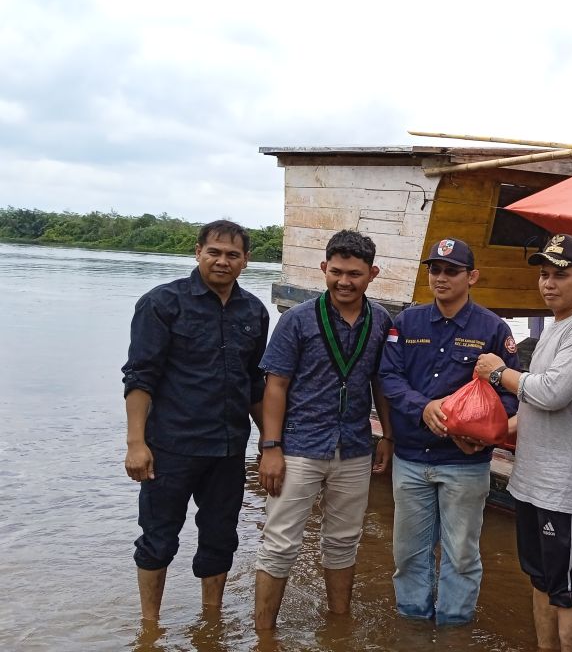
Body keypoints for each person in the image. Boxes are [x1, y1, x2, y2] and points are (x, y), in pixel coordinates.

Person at [474, 233, 572, 652]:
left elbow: (551, 392)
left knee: (568, 587)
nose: (549, 283)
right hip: (533, 480)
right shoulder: (558, 327)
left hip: (565, 486)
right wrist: (495, 430)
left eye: (561, 275)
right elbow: (538, 404)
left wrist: (499, 373)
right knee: (539, 578)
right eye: (543, 274)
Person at [122, 220, 270, 621]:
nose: (223, 261)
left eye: (232, 255)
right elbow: (140, 376)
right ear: (198, 252)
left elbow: (255, 384)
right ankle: (149, 627)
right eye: (215, 252)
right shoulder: (162, 304)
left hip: (226, 449)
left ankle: (211, 620)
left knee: (221, 538)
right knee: (157, 539)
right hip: (171, 447)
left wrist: (271, 443)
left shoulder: (253, 311)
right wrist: (136, 444)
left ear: (246, 260)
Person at [253, 230, 394, 629]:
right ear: (323, 269)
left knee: (344, 543)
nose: (344, 282)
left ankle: (338, 625)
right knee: (279, 543)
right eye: (336, 272)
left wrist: (388, 435)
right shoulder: (297, 319)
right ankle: (265, 635)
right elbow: (275, 385)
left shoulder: (381, 320)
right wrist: (271, 447)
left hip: (353, 447)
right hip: (299, 445)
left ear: (372, 274)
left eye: (354, 273)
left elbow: (380, 384)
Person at [378, 237, 520, 625]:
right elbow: (389, 377)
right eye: (435, 270)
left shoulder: (493, 329)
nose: (441, 278)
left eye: (452, 271)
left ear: (471, 276)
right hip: (411, 458)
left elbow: (509, 398)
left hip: (465, 462)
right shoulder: (406, 323)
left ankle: (454, 627)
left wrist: (478, 433)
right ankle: (412, 625)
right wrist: (422, 407)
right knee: (408, 553)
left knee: (461, 554)